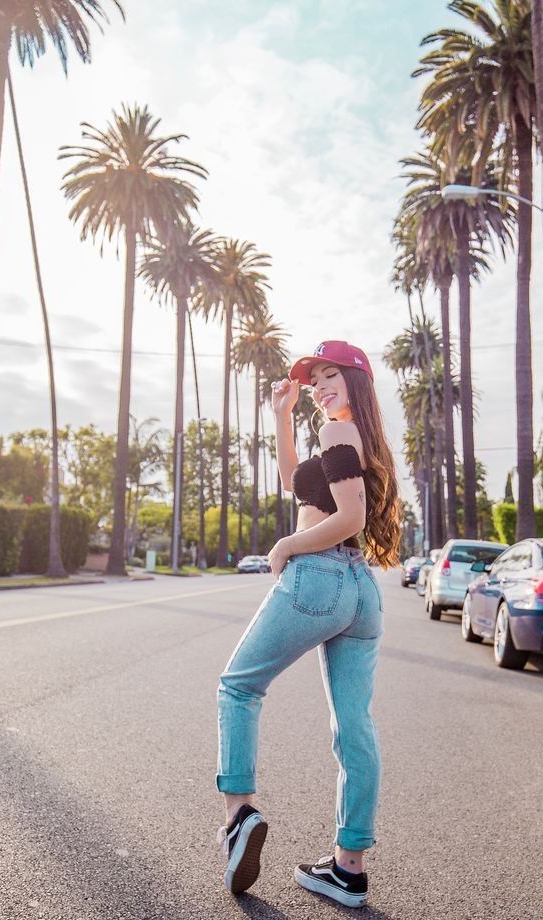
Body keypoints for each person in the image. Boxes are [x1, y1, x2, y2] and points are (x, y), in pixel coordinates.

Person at [214, 340, 402, 908]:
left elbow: (350, 517)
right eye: (314, 379)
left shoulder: (338, 431)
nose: (319, 387)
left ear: (355, 382)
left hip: (320, 577)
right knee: (354, 727)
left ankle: (238, 817)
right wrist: (281, 416)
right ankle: (348, 870)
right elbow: (296, 482)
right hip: (362, 591)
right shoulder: (360, 438)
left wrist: (287, 545)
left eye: (329, 376)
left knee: (238, 687)